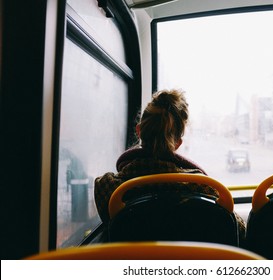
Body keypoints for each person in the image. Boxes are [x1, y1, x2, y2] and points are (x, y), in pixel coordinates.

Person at [94, 89, 245, 244]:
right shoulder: (202, 187)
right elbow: (238, 230)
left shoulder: (108, 188)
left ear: (139, 131)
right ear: (178, 143)